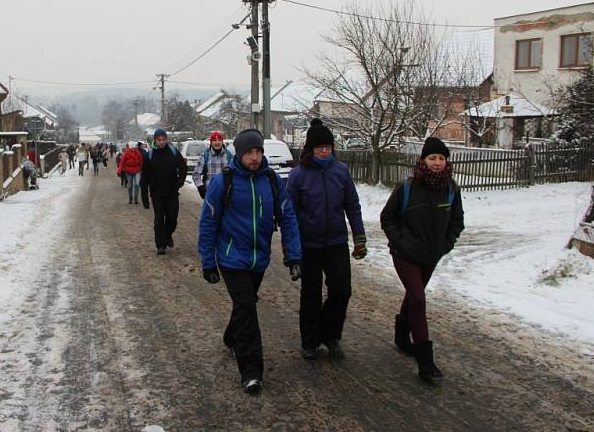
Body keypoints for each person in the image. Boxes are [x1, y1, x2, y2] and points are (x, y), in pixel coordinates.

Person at [198, 129, 303, 394]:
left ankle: (231, 336)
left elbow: (287, 217)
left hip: (259, 258)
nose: (254, 157)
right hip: (231, 257)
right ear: (240, 154)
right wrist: (208, 261)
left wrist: (294, 255)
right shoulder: (224, 182)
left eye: (258, 152)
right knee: (247, 306)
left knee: (244, 305)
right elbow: (208, 223)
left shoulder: (272, 180)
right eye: (249, 153)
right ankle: (251, 371)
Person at [380, 136, 464, 382]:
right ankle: (425, 361)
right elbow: (388, 217)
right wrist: (400, 242)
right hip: (405, 254)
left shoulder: (451, 189)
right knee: (418, 298)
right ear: (423, 161)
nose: (437, 162)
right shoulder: (407, 187)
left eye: (441, 158)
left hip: (431, 256)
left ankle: (401, 334)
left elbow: (457, 222)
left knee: (412, 296)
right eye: (432, 158)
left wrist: (445, 245)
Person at [286, 119, 366, 361]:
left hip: (336, 242)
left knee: (342, 291)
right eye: (319, 147)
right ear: (310, 149)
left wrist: (359, 236)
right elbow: (288, 214)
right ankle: (310, 341)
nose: (324, 151)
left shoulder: (340, 171)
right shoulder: (298, 175)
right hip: (308, 245)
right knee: (310, 294)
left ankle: (331, 335)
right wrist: (291, 252)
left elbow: (352, 204)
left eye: (328, 147)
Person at [141, 128, 187, 255]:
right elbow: (144, 177)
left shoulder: (173, 152)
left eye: (163, 139)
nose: (161, 142)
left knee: (172, 218)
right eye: (159, 140)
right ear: (155, 140)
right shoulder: (149, 155)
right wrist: (144, 196)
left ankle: (167, 235)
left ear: (166, 139)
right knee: (159, 219)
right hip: (157, 193)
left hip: (172, 192)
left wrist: (180, 181)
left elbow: (182, 167)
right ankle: (160, 245)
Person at [192, 131, 233, 199]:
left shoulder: (229, 155)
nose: (217, 142)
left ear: (222, 142)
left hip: (226, 194)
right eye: (214, 140)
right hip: (210, 193)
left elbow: (235, 173)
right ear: (211, 142)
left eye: (219, 140)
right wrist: (201, 188)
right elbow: (196, 174)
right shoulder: (205, 155)